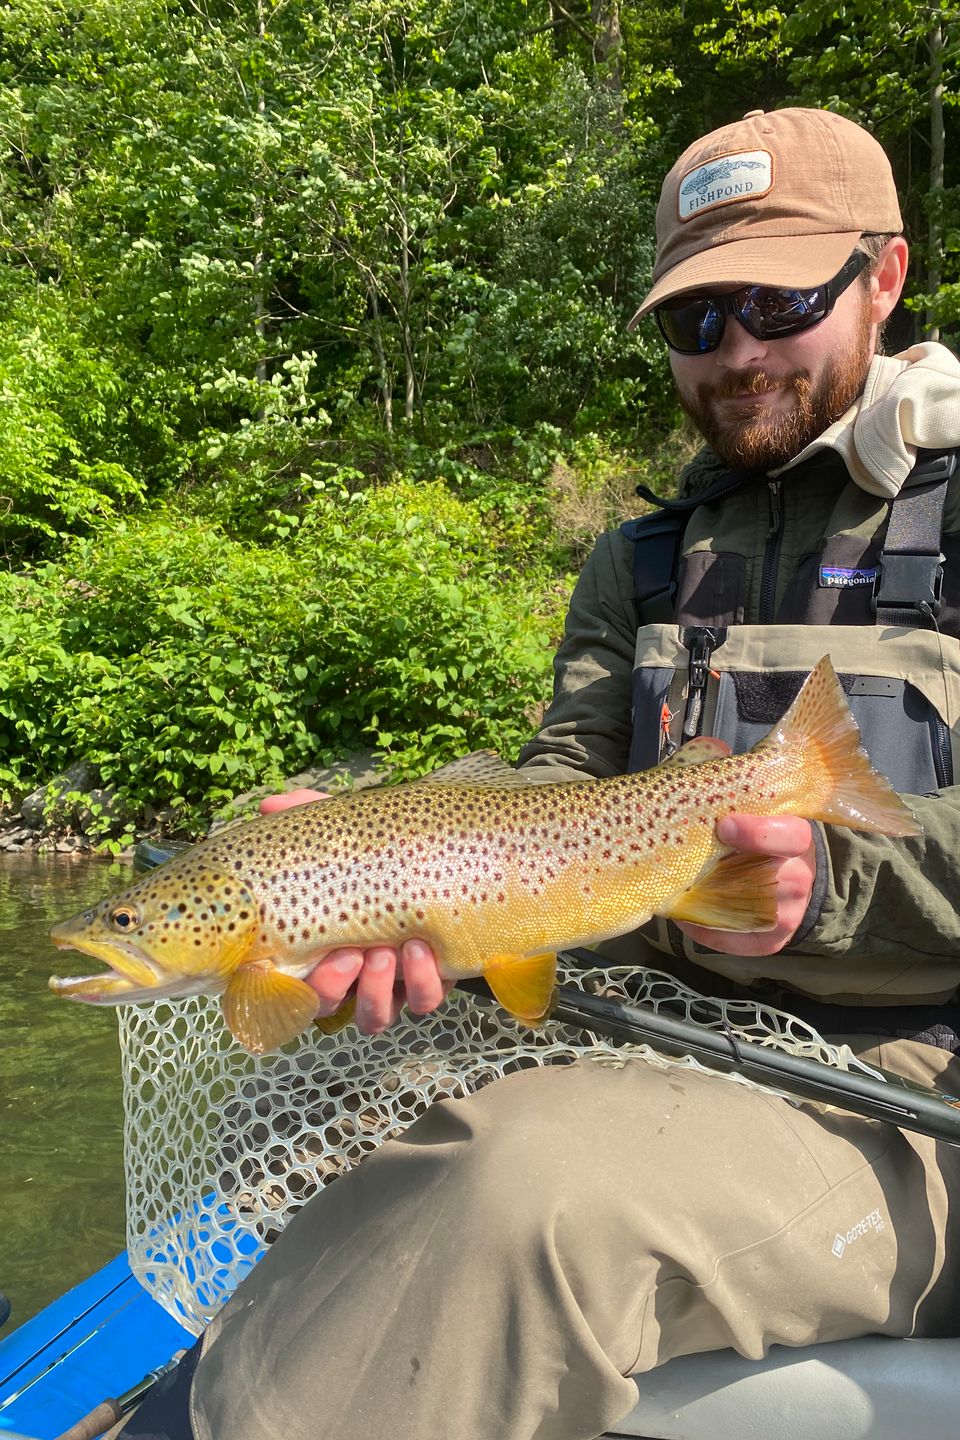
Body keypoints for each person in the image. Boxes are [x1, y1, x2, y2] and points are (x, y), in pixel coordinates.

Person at [118, 107, 960, 1440]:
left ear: (885, 274)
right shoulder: (641, 560)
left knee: (512, 1196)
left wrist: (834, 885)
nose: (735, 351)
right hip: (665, 1039)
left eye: (777, 300)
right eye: (696, 322)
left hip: (913, 1100)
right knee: (298, 1097)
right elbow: (561, 780)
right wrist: (373, 849)